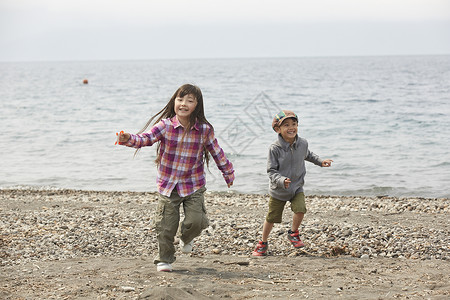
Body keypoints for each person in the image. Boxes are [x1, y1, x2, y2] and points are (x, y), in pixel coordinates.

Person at [116, 84, 234, 272]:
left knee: (196, 221)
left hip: (193, 184)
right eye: (180, 99)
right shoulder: (165, 126)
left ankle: (187, 237)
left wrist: (228, 172)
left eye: (189, 100)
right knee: (165, 225)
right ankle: (164, 259)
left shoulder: (204, 130)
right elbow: (146, 138)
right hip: (168, 185)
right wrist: (128, 138)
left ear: (197, 104)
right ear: (174, 102)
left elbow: (216, 151)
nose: (184, 104)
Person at [252, 110, 332, 256]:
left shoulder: (302, 143)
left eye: (294, 124)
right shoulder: (274, 149)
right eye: (286, 125)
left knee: (301, 209)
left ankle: (293, 233)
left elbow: (308, 155)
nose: (291, 127)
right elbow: (271, 171)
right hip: (279, 190)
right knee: (271, 218)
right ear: (278, 129)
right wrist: (281, 180)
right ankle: (262, 242)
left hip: (296, 187)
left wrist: (321, 161)